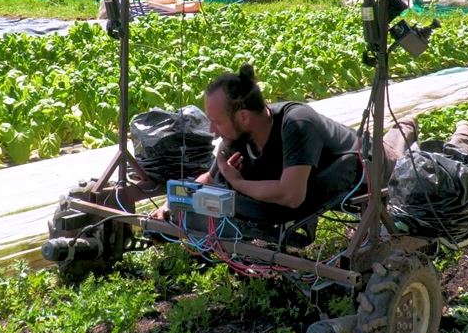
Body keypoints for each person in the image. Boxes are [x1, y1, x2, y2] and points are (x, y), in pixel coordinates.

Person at [150, 64, 423, 222]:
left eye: (216, 122)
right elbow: (209, 179)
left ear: (243, 117)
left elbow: (292, 196)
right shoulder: (238, 134)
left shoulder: (296, 123)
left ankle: (454, 132)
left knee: (409, 166)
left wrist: (238, 183)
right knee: (394, 142)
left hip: (372, 165)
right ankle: (406, 127)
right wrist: (171, 203)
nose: (212, 130)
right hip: (336, 158)